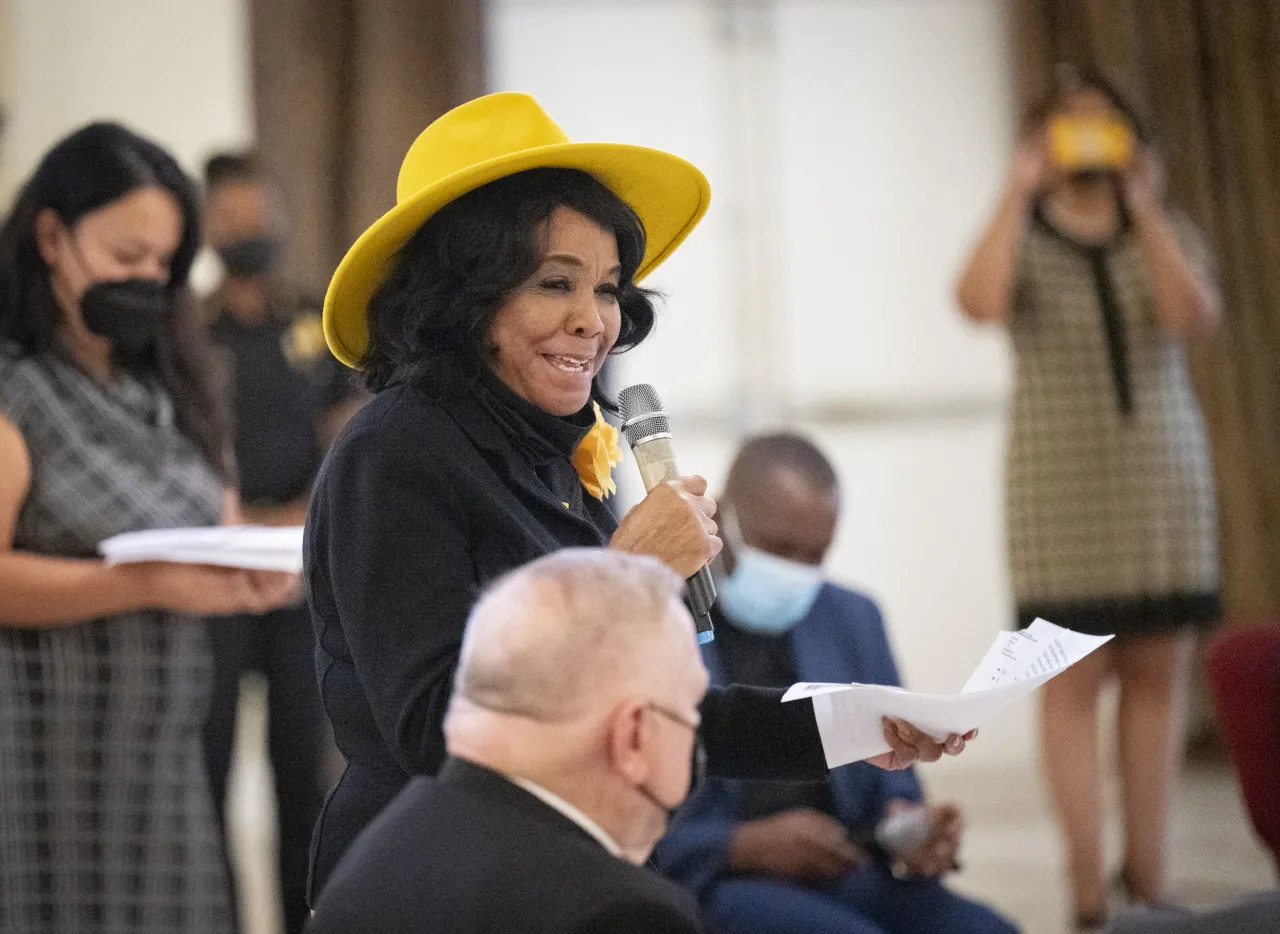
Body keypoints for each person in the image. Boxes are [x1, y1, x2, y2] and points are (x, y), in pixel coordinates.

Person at [304, 90, 975, 901]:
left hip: (571, 869)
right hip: (440, 885)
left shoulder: (557, 455)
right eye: (557, 284)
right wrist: (629, 574)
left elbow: (673, 705)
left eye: (610, 289)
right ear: (464, 297)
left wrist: (859, 722)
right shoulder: (396, 450)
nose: (596, 323)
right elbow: (437, 729)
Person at [0, 123, 297, 933]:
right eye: (128, 257)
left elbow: (221, 524)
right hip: (40, 771)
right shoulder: (16, 391)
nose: (149, 280)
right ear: (53, 238)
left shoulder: (179, 382)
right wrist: (142, 584)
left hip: (161, 770)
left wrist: (251, 577)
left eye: (165, 264)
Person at [954, 67, 1222, 931]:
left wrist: (1145, 208)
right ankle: (1083, 888)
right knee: (1068, 683)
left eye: (1102, 122)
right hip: (1057, 485)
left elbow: (1194, 316)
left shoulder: (1162, 226)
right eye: (1069, 125)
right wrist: (1014, 188)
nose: (1087, 139)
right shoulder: (1023, 234)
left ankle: (1150, 876)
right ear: (1041, 140)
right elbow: (977, 302)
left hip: (1161, 476)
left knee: (1158, 676)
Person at [656, 433, 1017, 934]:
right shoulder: (654, 617)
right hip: (717, 884)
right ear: (720, 518)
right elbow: (616, 817)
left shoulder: (853, 618)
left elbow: (894, 783)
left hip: (847, 870)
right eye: (780, 548)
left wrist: (911, 829)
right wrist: (740, 845)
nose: (795, 572)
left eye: (815, 555)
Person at [309, 548, 714, 934]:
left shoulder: (374, 860)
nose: (694, 732)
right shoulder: (622, 914)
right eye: (691, 709)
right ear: (633, 736)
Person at [201, 150, 363, 934]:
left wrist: (302, 511)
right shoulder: (189, 335)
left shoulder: (316, 323)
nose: (245, 231)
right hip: (214, 576)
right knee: (207, 777)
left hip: (302, 578)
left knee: (305, 777)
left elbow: (352, 425)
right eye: (228, 219)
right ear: (204, 228)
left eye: (256, 216)